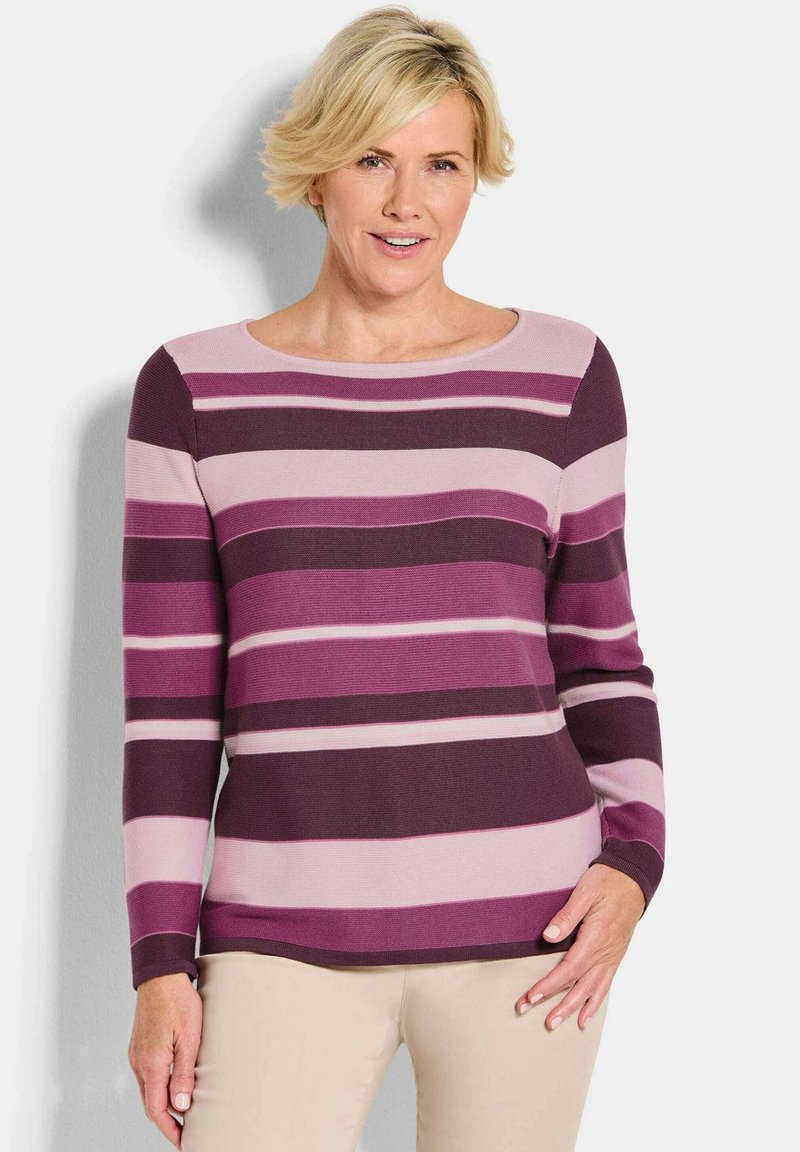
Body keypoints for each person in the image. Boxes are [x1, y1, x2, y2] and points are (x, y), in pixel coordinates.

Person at [122, 6, 666, 1150]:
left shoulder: (562, 375)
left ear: (475, 178)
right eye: (372, 158)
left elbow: (600, 652)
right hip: (279, 937)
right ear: (318, 167)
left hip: (529, 932)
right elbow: (169, 708)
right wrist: (161, 962)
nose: (406, 202)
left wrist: (633, 862)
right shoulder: (193, 391)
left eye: (442, 165)